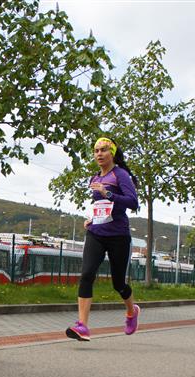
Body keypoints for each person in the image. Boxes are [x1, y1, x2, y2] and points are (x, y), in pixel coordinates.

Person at [66, 137, 140, 342]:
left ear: (112, 153)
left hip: (118, 235)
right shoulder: (94, 178)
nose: (99, 154)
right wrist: (93, 219)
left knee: (119, 284)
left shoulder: (120, 175)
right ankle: (82, 326)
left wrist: (107, 193)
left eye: (104, 150)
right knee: (86, 274)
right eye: (96, 150)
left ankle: (132, 311)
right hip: (96, 233)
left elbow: (133, 202)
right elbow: (102, 207)